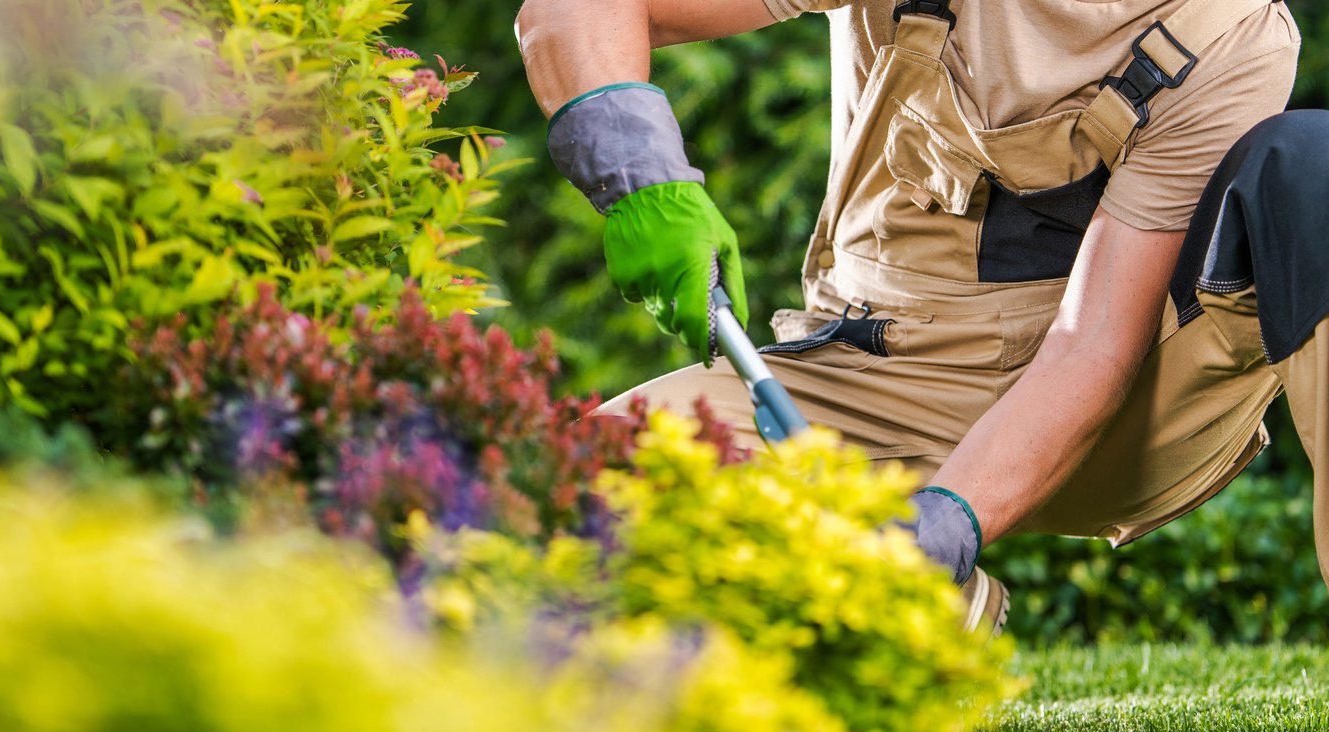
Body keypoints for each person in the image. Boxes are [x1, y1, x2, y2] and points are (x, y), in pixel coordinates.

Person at [515, 0, 1315, 635]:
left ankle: (920, 565)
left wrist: (950, 520)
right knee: (557, 505)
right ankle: (928, 609)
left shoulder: (1234, 31)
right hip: (872, 372)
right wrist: (641, 173)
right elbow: (575, 8)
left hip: (1126, 405)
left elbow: (1094, 345)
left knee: (1313, 172)